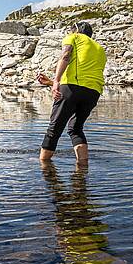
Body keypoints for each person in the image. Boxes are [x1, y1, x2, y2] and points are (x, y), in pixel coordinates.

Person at [36, 21, 106, 165]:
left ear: (76, 30)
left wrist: (56, 81)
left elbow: (66, 55)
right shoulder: (99, 49)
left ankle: (43, 166)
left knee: (54, 129)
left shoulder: (74, 37)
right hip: (93, 93)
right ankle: (82, 167)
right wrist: (50, 82)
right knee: (75, 128)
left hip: (72, 89)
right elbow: (85, 79)